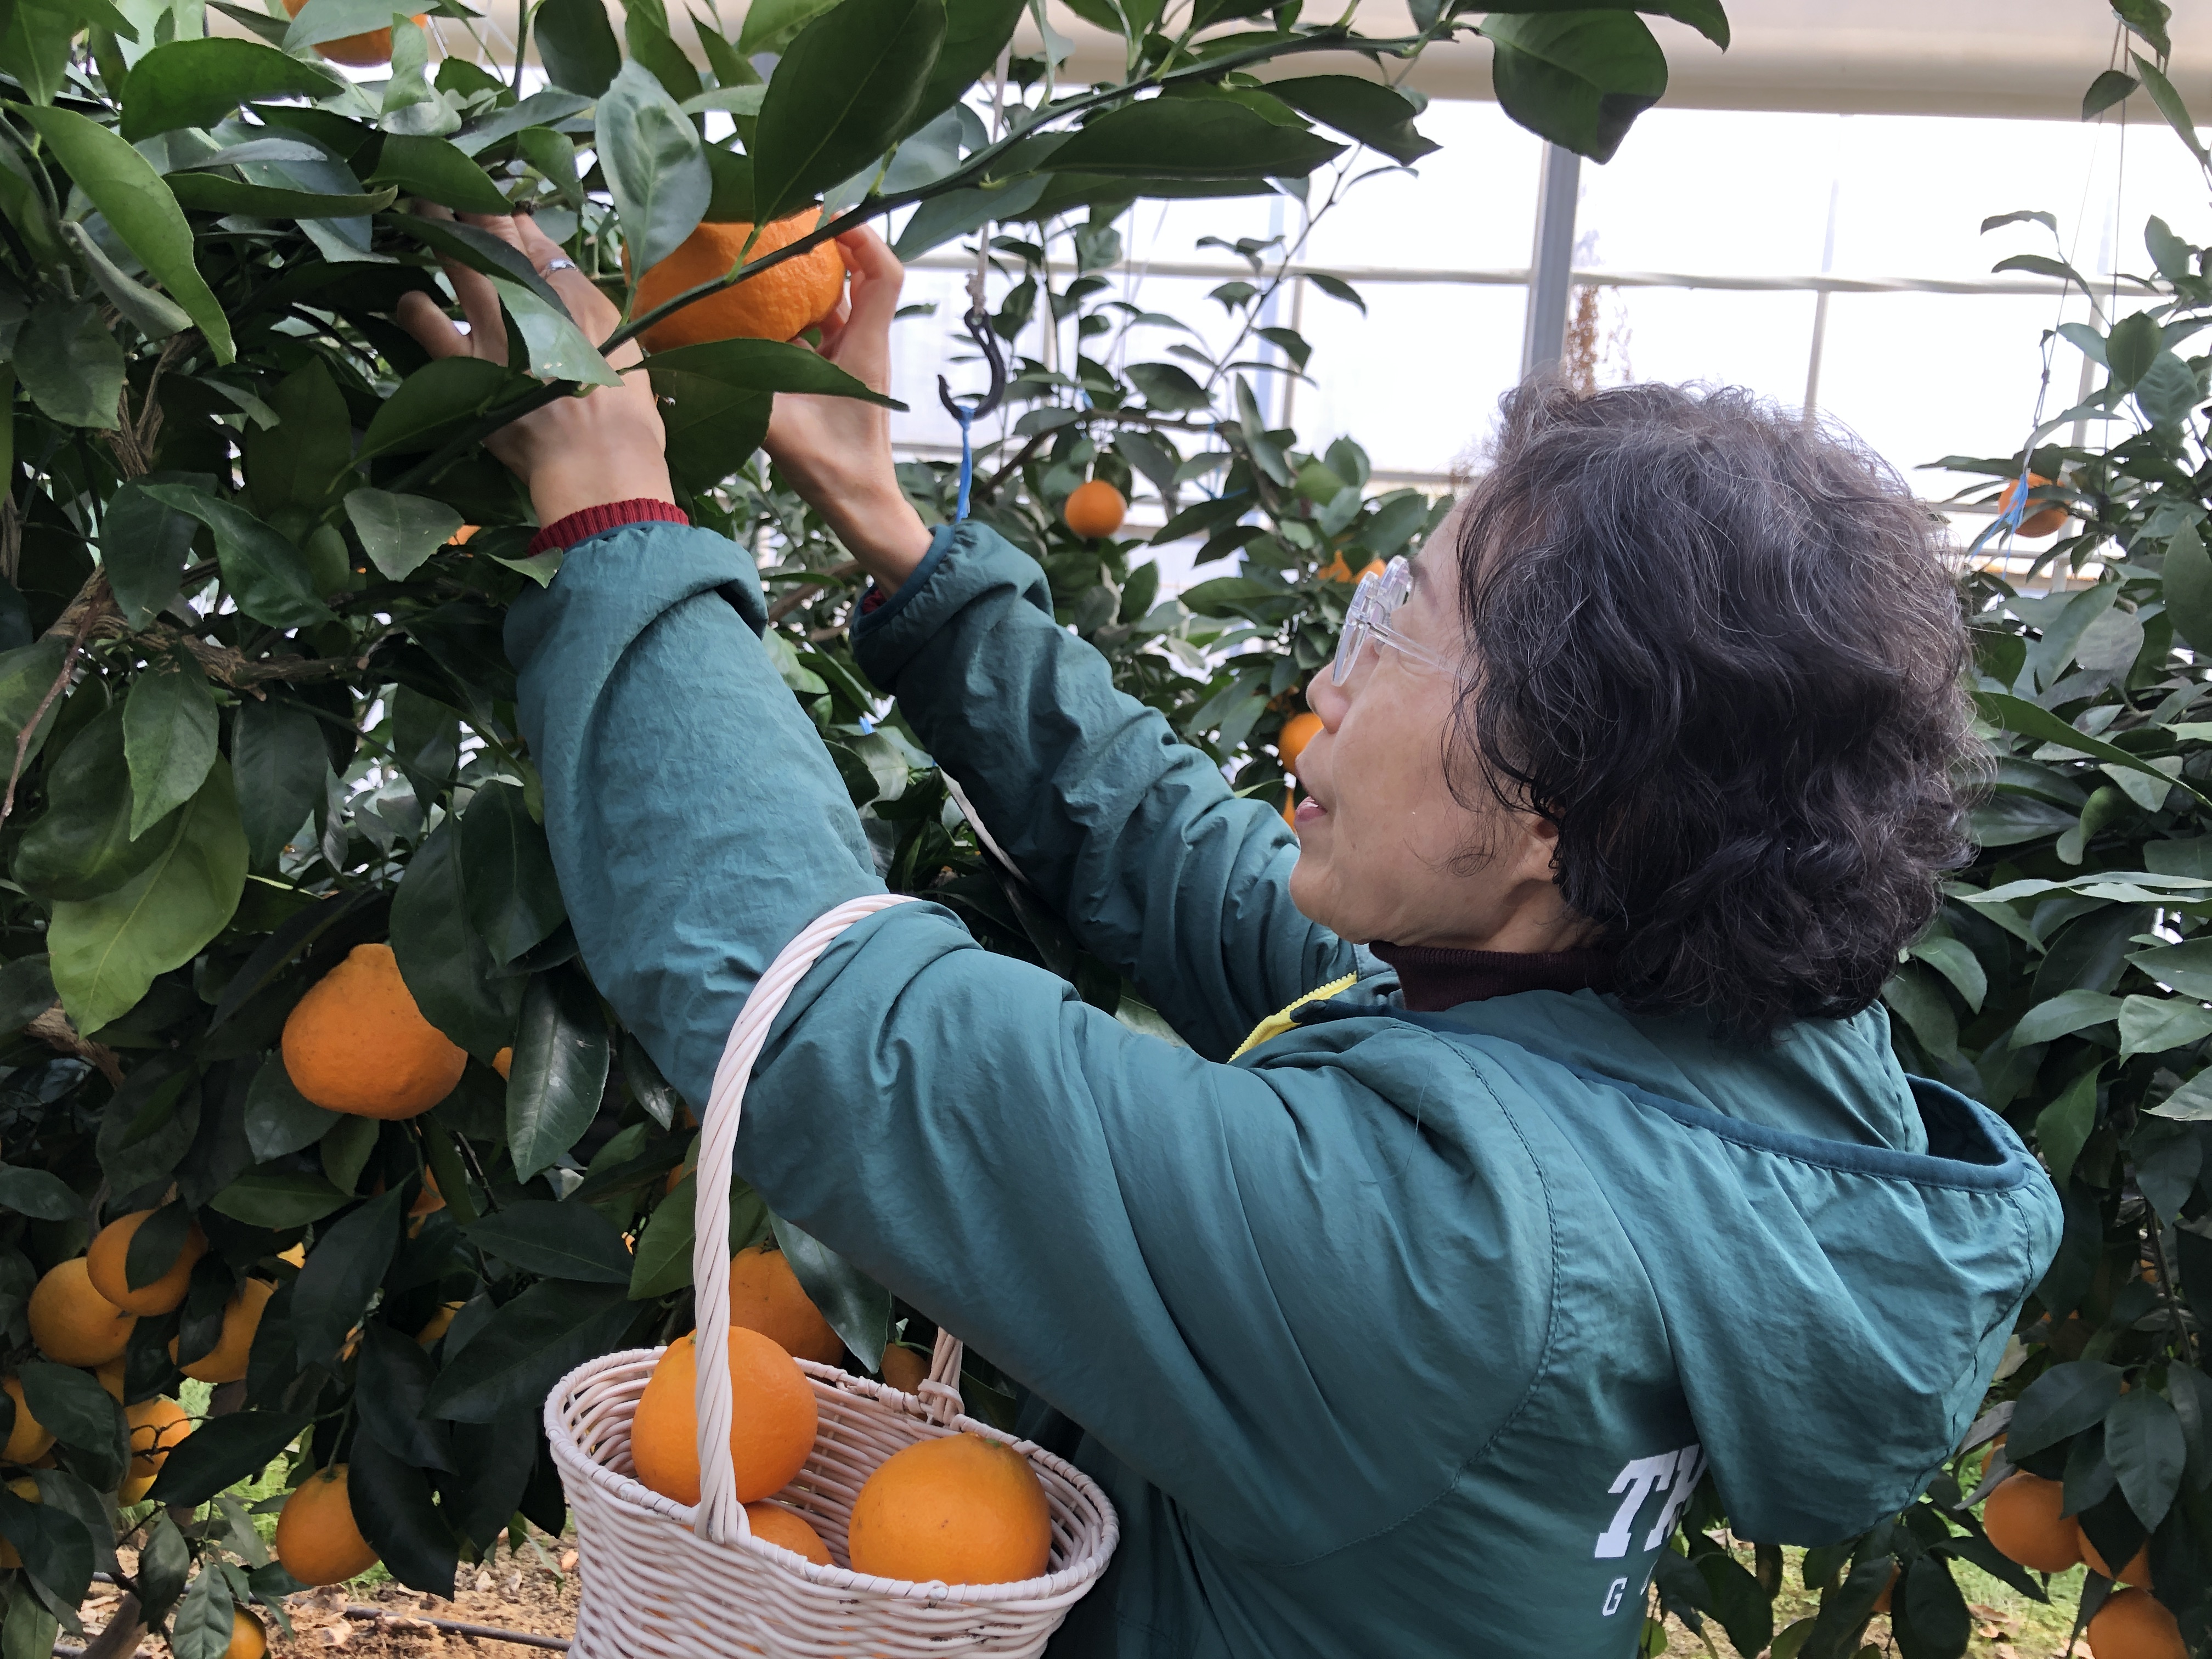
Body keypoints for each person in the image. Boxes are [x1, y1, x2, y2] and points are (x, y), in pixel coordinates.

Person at [397, 211, 2061, 1656]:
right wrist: (892, 527)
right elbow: (1189, 864)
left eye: (1398, 625)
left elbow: (838, 1027)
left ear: (1559, 806)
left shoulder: (1454, 1260)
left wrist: (617, 517)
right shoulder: (1695, 1033)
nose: (1326, 686)